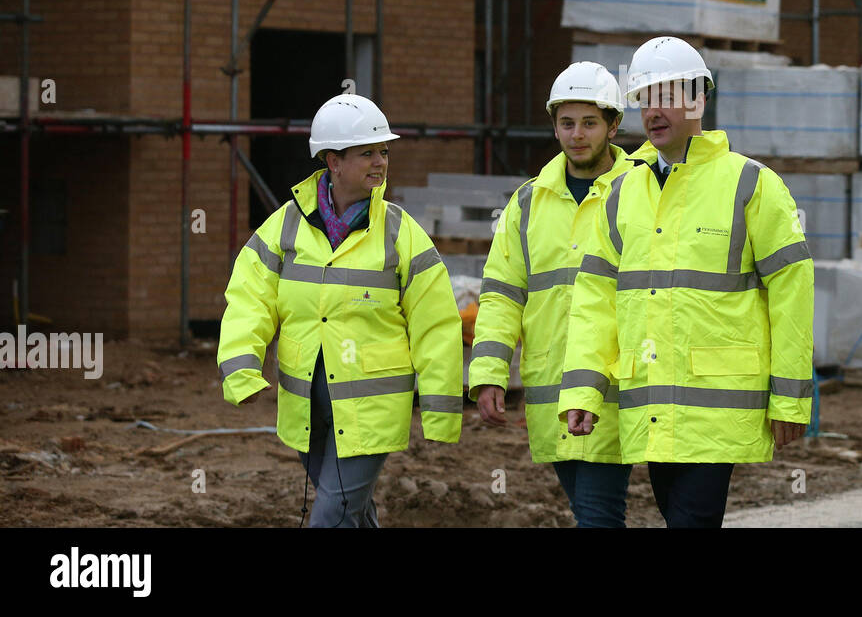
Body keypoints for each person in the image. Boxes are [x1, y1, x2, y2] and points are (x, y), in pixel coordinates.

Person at [558, 36, 815, 528]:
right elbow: (595, 303)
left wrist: (790, 398)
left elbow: (792, 294)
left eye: (670, 96)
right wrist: (583, 391)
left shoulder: (749, 184)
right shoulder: (621, 192)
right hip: (649, 404)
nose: (655, 111)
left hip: (716, 411)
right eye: (646, 99)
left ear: (699, 98)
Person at [217, 93, 463, 527]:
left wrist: (442, 406)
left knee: (331, 512)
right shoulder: (285, 226)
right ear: (333, 160)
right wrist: (241, 369)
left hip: (372, 408)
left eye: (384, 151)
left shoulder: (399, 232)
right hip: (305, 405)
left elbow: (436, 322)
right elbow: (248, 300)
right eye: (366, 152)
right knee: (352, 510)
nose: (380, 162)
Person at [468, 62, 653, 527]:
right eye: (566, 123)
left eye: (590, 123)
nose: (577, 135)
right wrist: (489, 371)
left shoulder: (642, 189)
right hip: (552, 388)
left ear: (613, 125)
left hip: (615, 386)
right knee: (592, 511)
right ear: (554, 126)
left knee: (597, 513)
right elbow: (502, 292)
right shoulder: (529, 201)